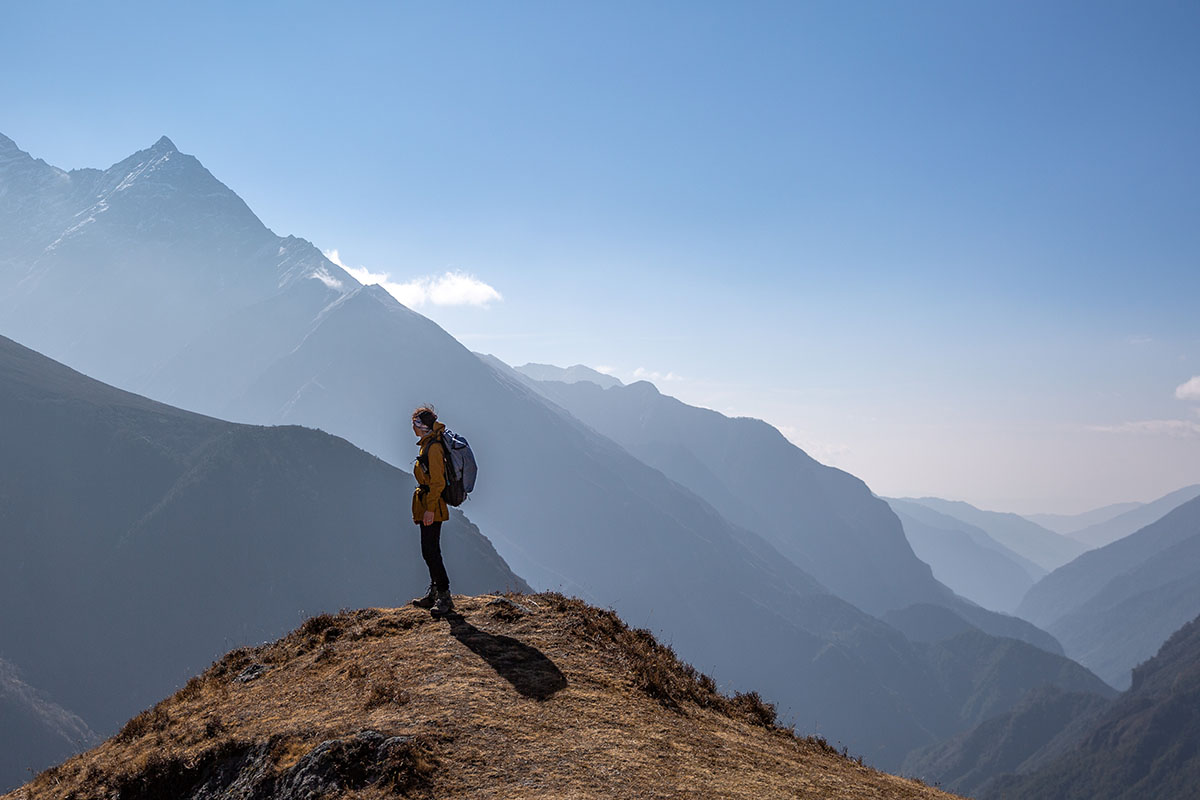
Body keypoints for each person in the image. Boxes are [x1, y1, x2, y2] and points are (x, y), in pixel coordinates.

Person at [410, 406, 454, 615]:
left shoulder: (433, 448)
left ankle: (444, 596)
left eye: (416, 423)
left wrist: (429, 510)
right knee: (429, 550)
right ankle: (435, 592)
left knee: (431, 551)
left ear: (424, 426)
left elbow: (437, 482)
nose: (413, 427)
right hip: (429, 504)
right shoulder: (427, 445)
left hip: (433, 506)